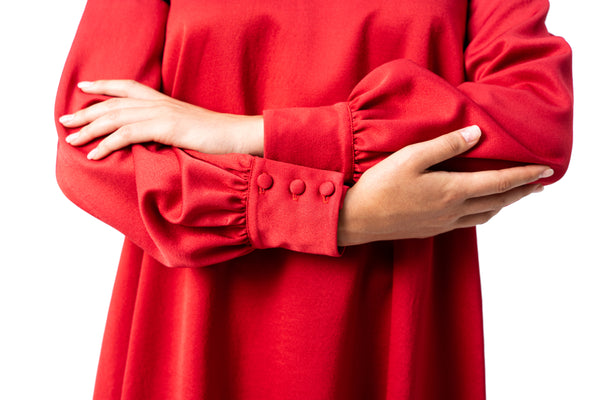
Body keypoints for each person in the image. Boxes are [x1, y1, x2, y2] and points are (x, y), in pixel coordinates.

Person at [54, 0, 572, 399]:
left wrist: (248, 133)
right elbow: (90, 153)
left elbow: (537, 121)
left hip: (394, 320)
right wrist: (342, 217)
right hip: (194, 326)